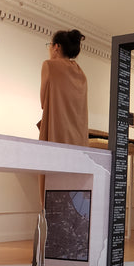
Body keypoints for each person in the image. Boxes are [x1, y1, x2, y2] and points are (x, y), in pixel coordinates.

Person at [38, 29, 88, 203]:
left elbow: (43, 102)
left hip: (56, 133)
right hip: (78, 139)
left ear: (57, 46)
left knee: (52, 186)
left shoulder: (49, 65)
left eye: (49, 45)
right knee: (73, 190)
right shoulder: (81, 73)